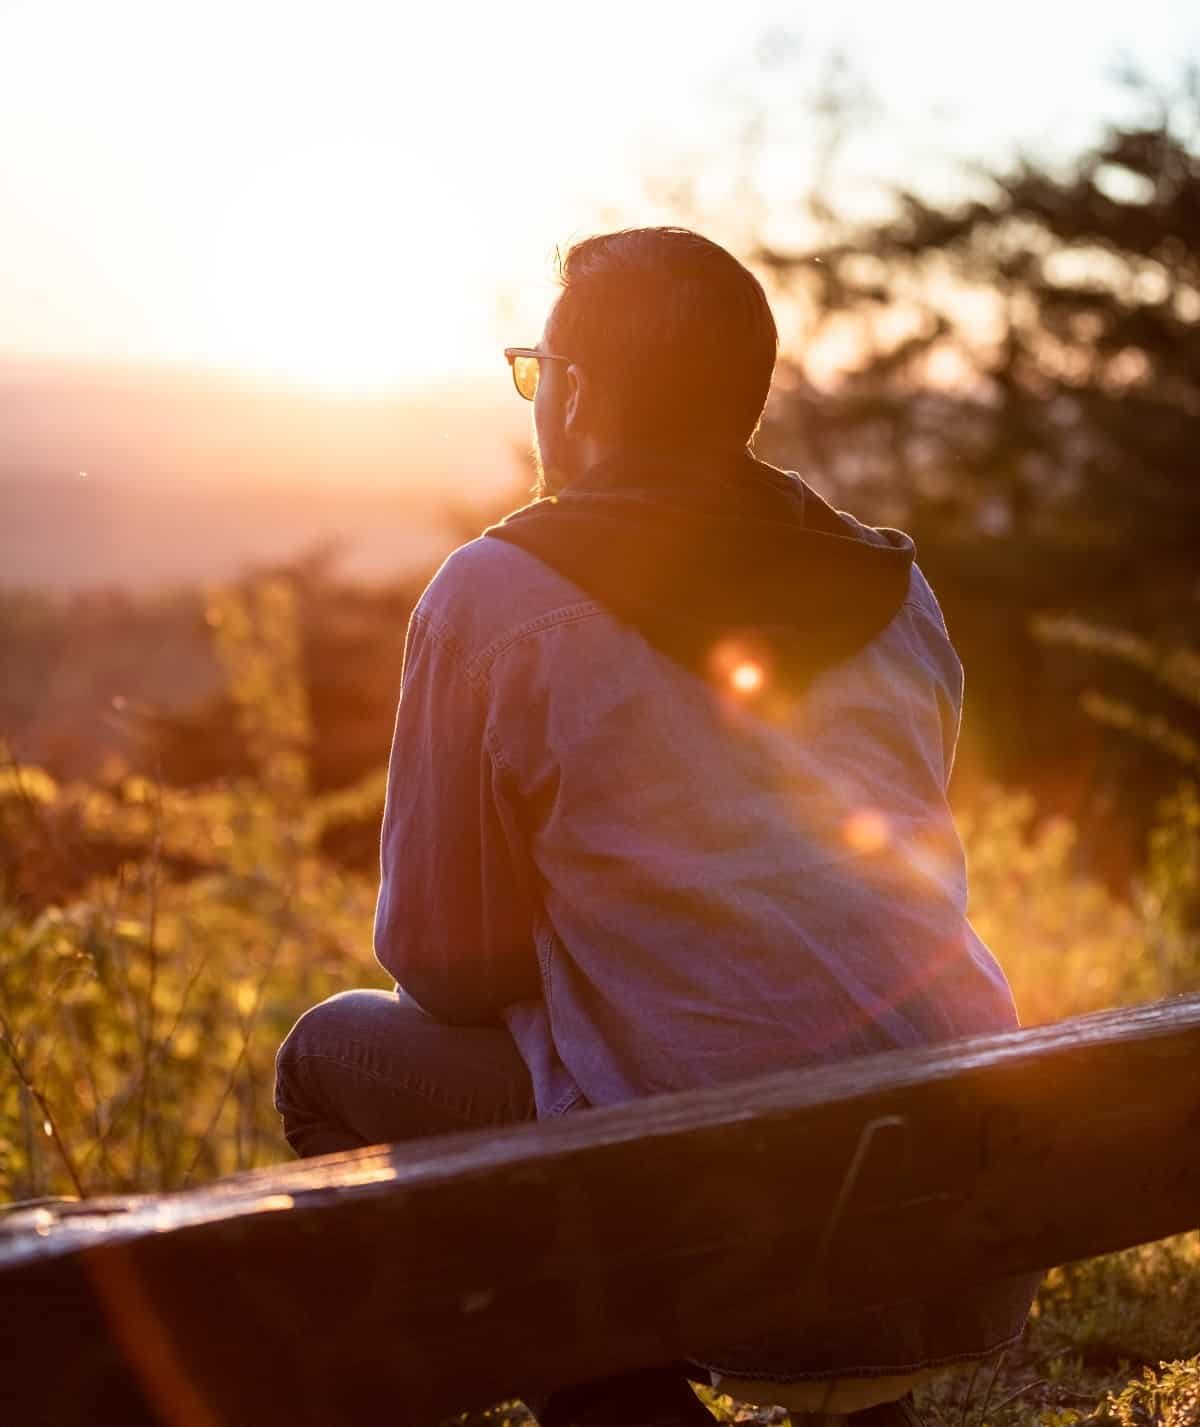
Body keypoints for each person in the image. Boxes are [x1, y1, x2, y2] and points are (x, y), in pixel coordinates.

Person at [274, 226, 1041, 1427]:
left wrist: (596, 960)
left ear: (576, 390)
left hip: (729, 1227)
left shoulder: (497, 593)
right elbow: (873, 879)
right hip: (963, 1225)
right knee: (769, 1058)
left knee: (330, 1056)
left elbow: (443, 963)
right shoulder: (896, 586)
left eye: (538, 370)